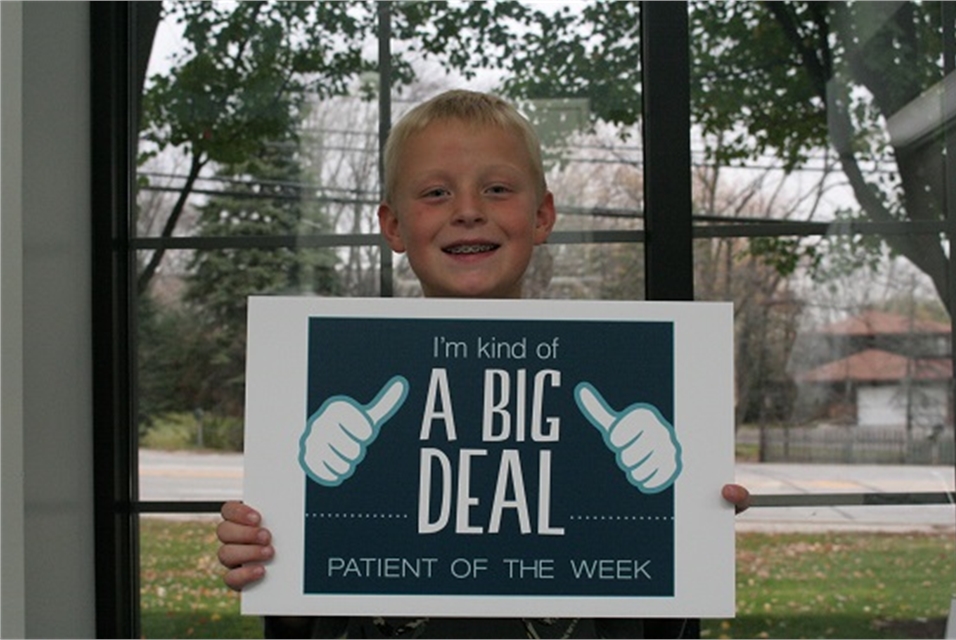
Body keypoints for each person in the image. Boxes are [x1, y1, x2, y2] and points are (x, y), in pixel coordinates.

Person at [217, 89, 752, 638]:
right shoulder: (345, 396)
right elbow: (310, 624)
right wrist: (278, 557)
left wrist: (679, 520)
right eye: (435, 192)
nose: (468, 211)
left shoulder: (612, 394)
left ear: (542, 215)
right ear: (394, 226)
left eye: (496, 189)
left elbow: (651, 618)